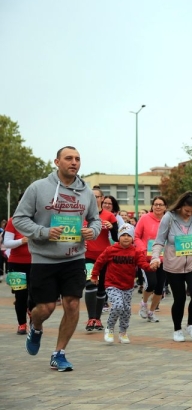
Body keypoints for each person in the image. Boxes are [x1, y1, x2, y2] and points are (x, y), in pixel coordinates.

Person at [13, 146, 102, 371]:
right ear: (57, 162)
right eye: (69, 158)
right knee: (46, 308)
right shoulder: (38, 188)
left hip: (74, 257)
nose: (74, 162)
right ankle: (36, 325)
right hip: (44, 258)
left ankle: (59, 353)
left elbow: (95, 220)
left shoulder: (86, 192)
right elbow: (19, 219)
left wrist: (93, 231)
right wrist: (43, 232)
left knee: (72, 304)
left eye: (78, 159)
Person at [150, 191, 192, 342]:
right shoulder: (169, 217)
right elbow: (159, 241)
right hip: (173, 265)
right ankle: (177, 329)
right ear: (181, 206)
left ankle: (191, 325)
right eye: (187, 211)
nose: (189, 214)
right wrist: (155, 258)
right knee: (179, 298)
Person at [90, 224, 159, 344]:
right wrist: (94, 275)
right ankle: (110, 328)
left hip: (127, 286)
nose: (126, 238)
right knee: (117, 305)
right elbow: (99, 262)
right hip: (112, 284)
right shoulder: (111, 249)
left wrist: (151, 267)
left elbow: (143, 264)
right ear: (118, 237)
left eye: (128, 235)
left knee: (126, 310)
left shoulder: (136, 251)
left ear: (132, 238)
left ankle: (123, 332)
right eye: (123, 235)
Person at [83, 187, 119, 332]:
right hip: (88, 256)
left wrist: (112, 228)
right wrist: (80, 241)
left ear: (102, 198)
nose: (94, 198)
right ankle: (91, 318)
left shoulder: (110, 216)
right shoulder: (82, 214)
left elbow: (117, 238)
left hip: (105, 257)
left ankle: (97, 319)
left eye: (97, 196)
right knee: (90, 285)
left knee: (101, 289)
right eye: (91, 196)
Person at [134, 196, 168, 323]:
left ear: (165, 207)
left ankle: (151, 312)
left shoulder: (168, 220)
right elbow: (136, 236)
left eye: (161, 204)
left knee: (160, 287)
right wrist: (143, 248)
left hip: (164, 259)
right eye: (155, 204)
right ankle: (143, 303)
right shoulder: (144, 218)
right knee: (151, 283)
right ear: (152, 206)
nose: (158, 207)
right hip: (147, 258)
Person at [4, 213, 33, 335]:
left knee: (35, 295)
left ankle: (34, 321)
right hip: (16, 263)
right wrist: (22, 240)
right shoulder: (13, 221)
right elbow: (7, 243)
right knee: (20, 296)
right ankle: (22, 324)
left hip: (37, 263)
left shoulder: (39, 219)